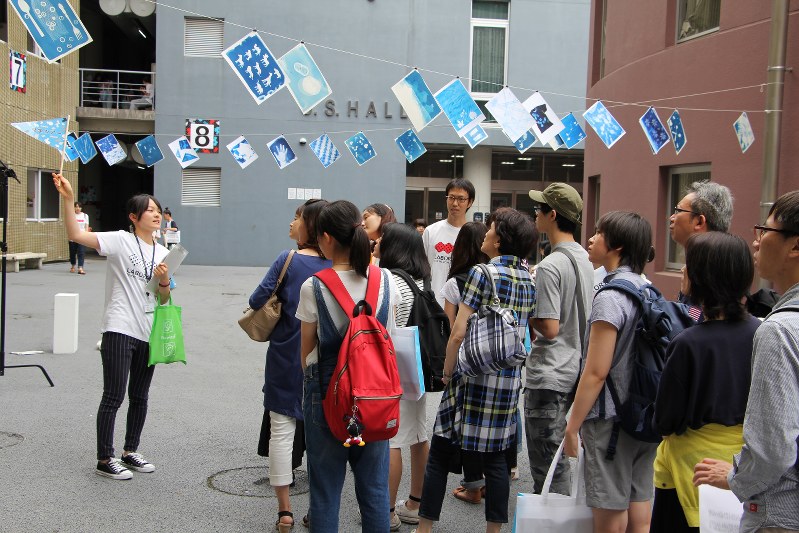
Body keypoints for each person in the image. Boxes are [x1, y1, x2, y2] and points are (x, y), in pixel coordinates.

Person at [416, 208, 536, 533]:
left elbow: (457, 331)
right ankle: (494, 531)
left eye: (491, 228)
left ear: (499, 239)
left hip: (470, 379)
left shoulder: (483, 273)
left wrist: (446, 370)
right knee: (497, 459)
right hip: (507, 382)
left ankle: (424, 526)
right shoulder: (528, 278)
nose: (486, 232)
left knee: (440, 452)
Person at [51, 173, 171, 481]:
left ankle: (130, 451)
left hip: (149, 329)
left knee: (140, 396)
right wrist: (67, 198)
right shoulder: (120, 239)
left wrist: (165, 280)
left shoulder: (163, 252)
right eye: (149, 210)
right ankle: (105, 458)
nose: (156, 214)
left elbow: (163, 297)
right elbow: (77, 235)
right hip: (119, 327)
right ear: (134, 217)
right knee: (114, 395)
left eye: (158, 209)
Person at [693, 191, 799, 533]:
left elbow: (772, 450)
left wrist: (735, 477)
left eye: (764, 231)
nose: (756, 242)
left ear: (794, 246)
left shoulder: (779, 330)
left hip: (779, 513)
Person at [296, 200, 400, 533]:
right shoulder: (386, 282)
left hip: (328, 395)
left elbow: (306, 353)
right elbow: (390, 342)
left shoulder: (314, 286)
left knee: (325, 494)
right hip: (374, 400)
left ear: (325, 237)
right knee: (374, 492)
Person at [651, 232, 759, 532]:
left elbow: (666, 420)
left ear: (703, 279)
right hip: (744, 467)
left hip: (690, 471)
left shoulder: (688, 343)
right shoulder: (763, 332)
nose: (683, 271)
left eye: (689, 265)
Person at [564, 211, 658, 532]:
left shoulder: (610, 296)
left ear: (616, 246)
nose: (591, 239)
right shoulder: (649, 290)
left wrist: (572, 426)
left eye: (599, 233)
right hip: (645, 415)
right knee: (639, 504)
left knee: (609, 509)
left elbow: (596, 372)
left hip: (611, 421)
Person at [249, 199, 330, 532]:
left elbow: (256, 300)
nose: (291, 224)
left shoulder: (288, 260)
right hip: (324, 361)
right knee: (321, 438)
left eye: (297, 218)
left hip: (285, 357)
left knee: (281, 431)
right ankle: (317, 509)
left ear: (310, 225)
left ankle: (284, 512)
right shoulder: (338, 265)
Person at [525, 183, 594, 495]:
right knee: (556, 459)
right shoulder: (583, 257)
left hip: (550, 372)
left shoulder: (550, 265)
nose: (534, 213)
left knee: (547, 465)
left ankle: (553, 521)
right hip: (575, 365)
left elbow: (550, 329)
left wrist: (528, 310)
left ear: (552, 215)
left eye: (539, 209)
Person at [373, 222, 432, 530]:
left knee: (391, 440)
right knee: (419, 435)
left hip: (394, 371)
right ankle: (415, 504)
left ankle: (387, 512)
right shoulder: (421, 281)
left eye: (383, 238)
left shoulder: (389, 281)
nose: (377, 241)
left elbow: (385, 328)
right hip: (417, 371)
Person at [437, 221, 491, 504]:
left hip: (464, 361)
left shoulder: (455, 283)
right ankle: (496, 478)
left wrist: (446, 370)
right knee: (492, 419)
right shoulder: (495, 277)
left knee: (467, 423)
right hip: (494, 358)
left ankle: (473, 485)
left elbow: (450, 330)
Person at [423, 178, 475, 306]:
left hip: (462, 306)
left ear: (470, 202)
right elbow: (422, 268)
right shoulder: (431, 231)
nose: (455, 203)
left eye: (461, 199)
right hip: (432, 303)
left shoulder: (473, 235)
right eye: (451, 197)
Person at [69, 201, 90, 275]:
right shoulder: (71, 215)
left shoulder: (85, 216)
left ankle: (80, 267)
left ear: (81, 208)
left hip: (82, 236)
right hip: (73, 237)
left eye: (79, 207)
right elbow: (70, 226)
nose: (77, 208)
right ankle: (73, 265)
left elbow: (86, 226)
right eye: (76, 206)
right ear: (74, 208)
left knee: (81, 252)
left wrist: (87, 235)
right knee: (72, 253)